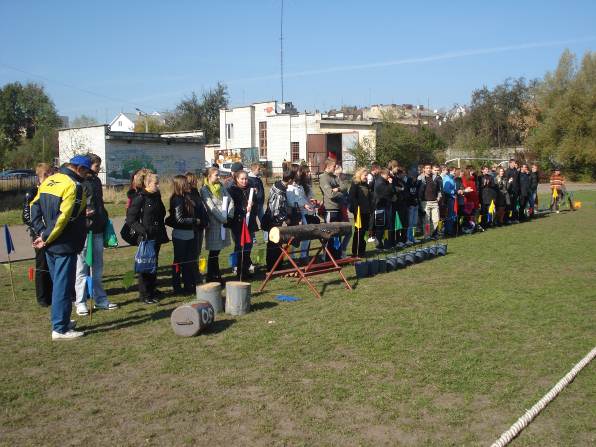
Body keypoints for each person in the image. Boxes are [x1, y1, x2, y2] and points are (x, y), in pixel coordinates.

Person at [30, 155, 91, 340]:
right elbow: (65, 218)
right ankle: (60, 328)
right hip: (64, 243)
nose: (87, 176)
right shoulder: (74, 186)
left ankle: (62, 319)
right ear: (79, 169)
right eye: (86, 172)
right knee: (63, 286)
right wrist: (45, 236)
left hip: (51, 243)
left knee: (59, 283)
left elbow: (34, 207)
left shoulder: (50, 180)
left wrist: (42, 232)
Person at [74, 153, 117, 316]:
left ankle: (100, 299)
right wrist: (83, 212)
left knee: (97, 268)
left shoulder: (97, 181)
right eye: (96, 166)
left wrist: (103, 217)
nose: (99, 168)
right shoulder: (79, 182)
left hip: (98, 228)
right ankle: (80, 302)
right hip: (84, 231)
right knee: (82, 268)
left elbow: (99, 202)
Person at [126, 172, 169, 304]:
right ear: (147, 184)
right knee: (145, 266)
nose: (158, 185)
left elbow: (162, 212)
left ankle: (152, 290)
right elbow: (130, 219)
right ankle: (144, 294)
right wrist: (143, 231)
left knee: (154, 264)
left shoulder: (156, 196)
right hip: (146, 237)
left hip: (156, 234)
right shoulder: (140, 198)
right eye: (156, 183)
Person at [22, 163, 54, 307]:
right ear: (45, 174)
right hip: (38, 234)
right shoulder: (32, 192)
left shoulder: (51, 190)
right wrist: (41, 229)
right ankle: (42, 297)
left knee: (52, 263)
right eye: (51, 173)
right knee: (42, 265)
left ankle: (53, 293)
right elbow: (26, 217)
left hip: (52, 233)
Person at [167, 175, 202, 294]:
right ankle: (177, 286)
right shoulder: (177, 199)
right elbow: (179, 219)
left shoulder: (185, 197)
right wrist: (195, 221)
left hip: (189, 234)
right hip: (181, 235)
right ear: (181, 185)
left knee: (188, 262)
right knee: (179, 261)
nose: (189, 185)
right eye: (186, 183)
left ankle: (189, 285)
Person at [201, 167, 234, 283]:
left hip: (224, 222)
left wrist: (229, 216)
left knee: (218, 251)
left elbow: (230, 200)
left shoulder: (221, 186)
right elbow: (211, 207)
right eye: (216, 175)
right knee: (214, 251)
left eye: (219, 174)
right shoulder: (205, 189)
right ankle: (213, 275)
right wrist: (222, 219)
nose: (219, 177)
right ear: (209, 176)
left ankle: (214, 274)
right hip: (214, 223)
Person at [227, 170, 257, 279]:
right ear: (237, 179)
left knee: (248, 246)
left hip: (250, 222)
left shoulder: (250, 189)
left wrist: (253, 203)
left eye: (246, 179)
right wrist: (244, 209)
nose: (244, 181)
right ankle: (239, 271)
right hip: (238, 223)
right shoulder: (232, 190)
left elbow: (255, 205)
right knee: (240, 247)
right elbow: (232, 207)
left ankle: (245, 269)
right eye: (242, 179)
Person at [319, 158, 350, 258]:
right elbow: (330, 194)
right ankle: (328, 258)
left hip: (339, 208)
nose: (335, 167)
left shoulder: (335, 177)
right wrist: (340, 193)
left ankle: (336, 256)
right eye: (334, 166)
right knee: (330, 234)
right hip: (330, 210)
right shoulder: (323, 177)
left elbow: (345, 187)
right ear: (328, 166)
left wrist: (338, 189)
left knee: (338, 234)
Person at [264, 170, 293, 271]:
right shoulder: (279, 192)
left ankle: (277, 265)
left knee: (277, 244)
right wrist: (285, 219)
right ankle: (273, 267)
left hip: (274, 220)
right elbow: (276, 211)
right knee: (274, 244)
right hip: (273, 221)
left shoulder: (277, 185)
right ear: (290, 180)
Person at [287, 164, 317, 261]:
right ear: (294, 173)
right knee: (294, 236)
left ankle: (303, 255)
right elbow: (291, 202)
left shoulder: (299, 186)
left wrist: (310, 202)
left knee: (307, 235)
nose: (301, 173)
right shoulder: (289, 187)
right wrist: (303, 205)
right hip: (294, 214)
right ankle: (292, 257)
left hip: (303, 213)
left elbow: (302, 199)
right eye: (299, 172)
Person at [185, 171, 209, 279]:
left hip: (200, 226)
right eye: (193, 180)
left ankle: (196, 272)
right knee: (193, 251)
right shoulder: (186, 194)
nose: (196, 182)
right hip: (193, 226)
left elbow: (201, 208)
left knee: (198, 250)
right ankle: (192, 274)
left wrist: (205, 221)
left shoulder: (195, 192)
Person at [348, 167, 372, 257]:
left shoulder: (366, 185)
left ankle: (362, 251)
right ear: (360, 175)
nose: (366, 177)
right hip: (358, 212)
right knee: (358, 231)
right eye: (365, 175)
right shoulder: (355, 184)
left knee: (364, 232)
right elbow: (352, 197)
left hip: (366, 212)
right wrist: (356, 209)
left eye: (367, 175)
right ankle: (356, 252)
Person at [418, 164, 442, 238]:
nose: (428, 169)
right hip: (425, 202)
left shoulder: (435, 178)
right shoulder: (420, 178)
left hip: (434, 202)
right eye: (427, 168)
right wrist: (420, 200)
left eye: (429, 168)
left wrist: (439, 197)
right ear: (424, 169)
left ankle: (432, 234)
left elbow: (439, 189)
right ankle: (427, 235)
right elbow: (418, 191)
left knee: (436, 220)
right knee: (426, 221)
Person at [372, 168, 393, 248]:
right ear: (383, 174)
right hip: (380, 206)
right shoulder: (380, 182)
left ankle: (386, 244)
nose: (389, 177)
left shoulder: (383, 181)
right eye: (388, 175)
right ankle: (379, 244)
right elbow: (388, 191)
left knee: (387, 226)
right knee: (380, 226)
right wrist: (390, 184)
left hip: (385, 205)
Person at [248, 162, 266, 243]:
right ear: (254, 169)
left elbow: (261, 191)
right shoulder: (249, 179)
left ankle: (267, 238)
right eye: (258, 169)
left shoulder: (258, 179)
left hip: (260, 204)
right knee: (252, 222)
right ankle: (253, 239)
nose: (260, 170)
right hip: (254, 205)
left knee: (264, 221)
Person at [462, 166, 480, 231]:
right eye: (471, 170)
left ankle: (475, 226)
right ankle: (467, 227)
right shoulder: (464, 178)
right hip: (468, 198)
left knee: (476, 212)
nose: (473, 172)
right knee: (468, 214)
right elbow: (465, 188)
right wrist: (466, 190)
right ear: (468, 171)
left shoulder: (474, 178)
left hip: (475, 198)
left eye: (473, 170)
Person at [406, 168, 420, 243]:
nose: (415, 178)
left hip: (416, 205)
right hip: (410, 205)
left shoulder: (416, 183)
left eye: (416, 177)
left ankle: (413, 237)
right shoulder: (408, 183)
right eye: (414, 177)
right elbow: (408, 195)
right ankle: (408, 238)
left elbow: (417, 194)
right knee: (410, 223)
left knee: (414, 223)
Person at [442, 167, 457, 237]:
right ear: (450, 171)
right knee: (449, 215)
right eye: (454, 171)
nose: (455, 172)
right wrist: (454, 192)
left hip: (452, 198)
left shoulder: (452, 178)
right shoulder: (447, 178)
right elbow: (446, 189)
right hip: (449, 199)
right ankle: (448, 231)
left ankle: (450, 230)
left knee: (452, 215)